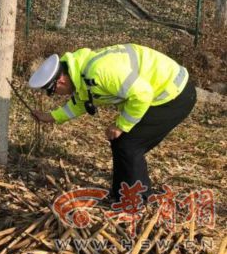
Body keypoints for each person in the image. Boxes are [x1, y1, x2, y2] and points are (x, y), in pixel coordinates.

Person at [28, 43, 197, 201]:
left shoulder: (98, 72)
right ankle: (120, 195)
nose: (57, 95)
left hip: (174, 95)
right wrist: (50, 117)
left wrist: (121, 125)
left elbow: (142, 94)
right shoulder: (81, 74)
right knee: (121, 142)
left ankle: (139, 200)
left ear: (61, 81)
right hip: (160, 93)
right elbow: (80, 102)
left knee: (129, 144)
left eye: (53, 91)